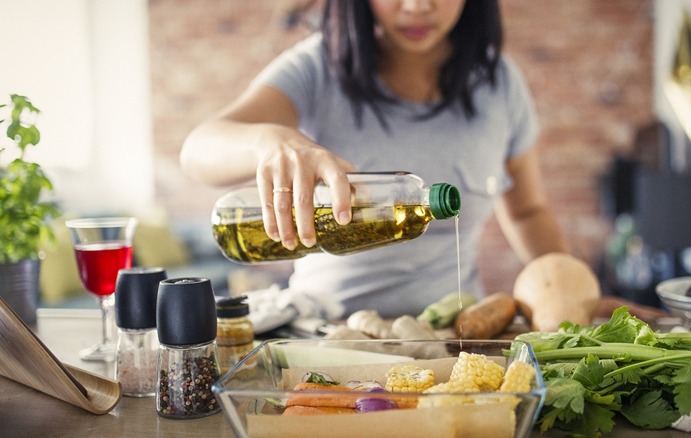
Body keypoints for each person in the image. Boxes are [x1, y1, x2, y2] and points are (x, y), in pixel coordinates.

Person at [180, 0, 665, 323]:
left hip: (456, 335)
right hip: (326, 335)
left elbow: (527, 210)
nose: (417, 5)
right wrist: (270, 141)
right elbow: (199, 149)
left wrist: (573, 289)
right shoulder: (316, 67)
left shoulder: (500, 84)